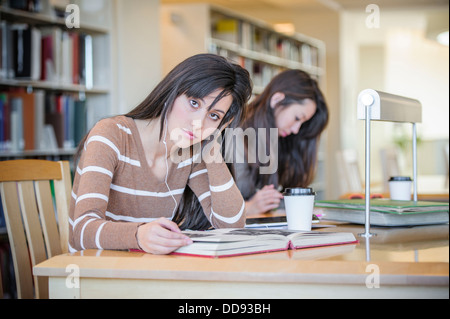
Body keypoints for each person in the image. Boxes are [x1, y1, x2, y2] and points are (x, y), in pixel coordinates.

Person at [69, 54, 252, 255]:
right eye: (194, 103)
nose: (198, 123)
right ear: (172, 92)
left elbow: (231, 225)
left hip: (150, 273)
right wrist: (139, 235)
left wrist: (213, 140)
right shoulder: (111, 134)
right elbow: (82, 230)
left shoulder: (190, 153)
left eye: (214, 115)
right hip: (97, 273)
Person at [233, 69, 329, 216]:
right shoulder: (235, 133)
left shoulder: (276, 140)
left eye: (303, 123)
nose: (296, 130)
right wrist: (249, 207)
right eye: (297, 118)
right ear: (277, 100)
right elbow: (205, 208)